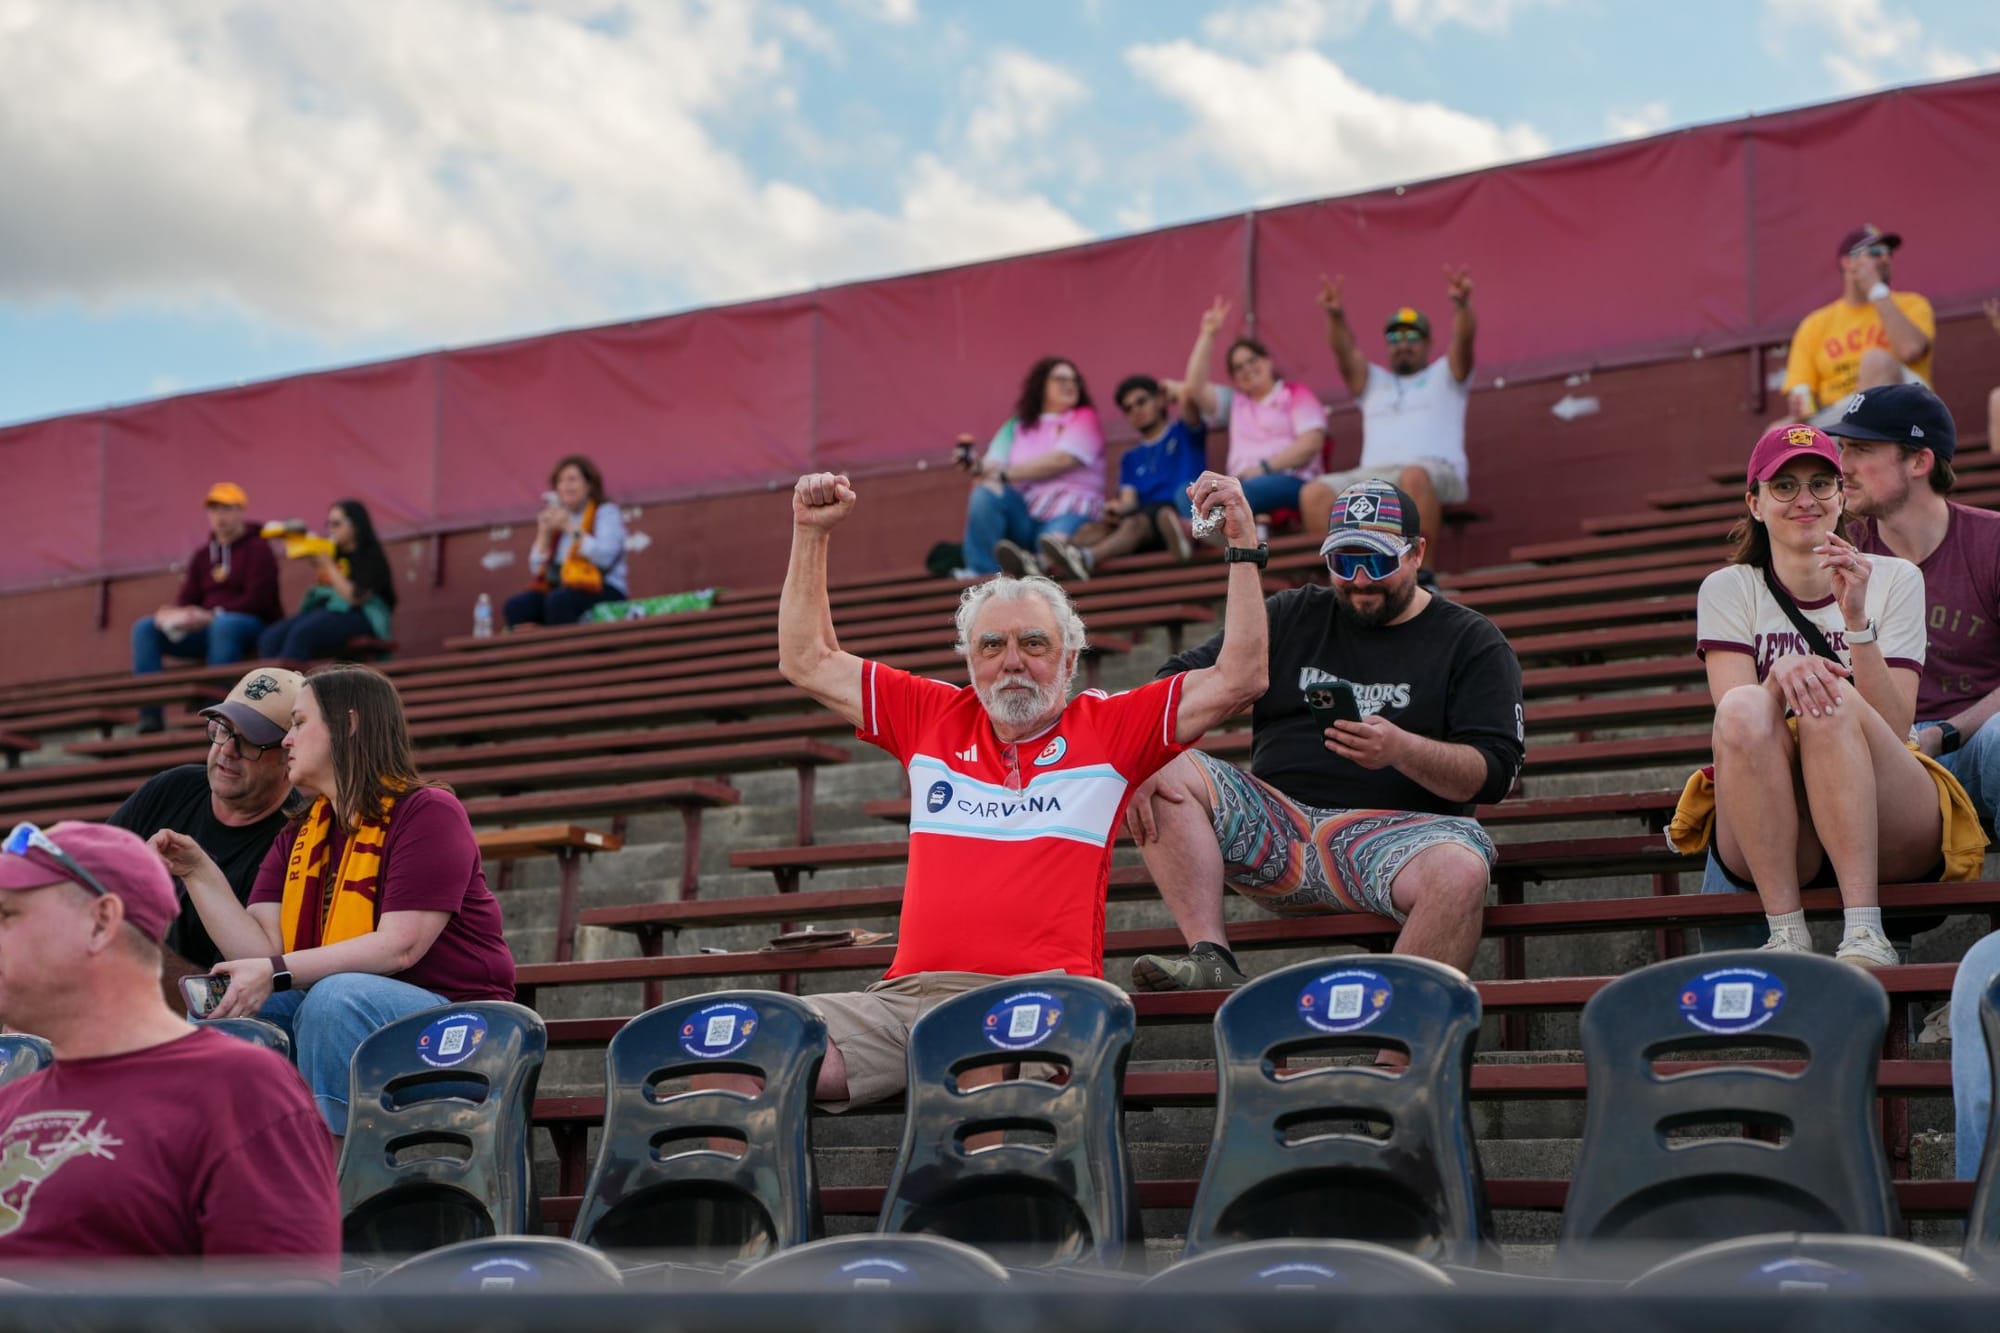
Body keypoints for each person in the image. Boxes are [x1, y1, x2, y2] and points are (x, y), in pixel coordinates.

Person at [770, 467, 1268, 1109]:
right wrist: (810, 532)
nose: (1011, 661)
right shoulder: (931, 716)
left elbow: (1241, 677)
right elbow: (804, 658)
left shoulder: (1110, 727)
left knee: (983, 1073)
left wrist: (1244, 546)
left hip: (1038, 1000)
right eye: (992, 645)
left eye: (1034, 643)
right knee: (749, 1052)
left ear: (1069, 658)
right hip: (903, 1001)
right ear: (969, 659)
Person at [1126, 478, 1524, 992]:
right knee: (1159, 757)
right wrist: (1147, 748)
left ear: (1417, 552)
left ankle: (1398, 1053)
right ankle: (1211, 956)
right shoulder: (1294, 613)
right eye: (1343, 563)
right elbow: (1174, 679)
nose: (1360, 580)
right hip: (1277, 826)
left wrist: (1402, 750)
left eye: (1377, 563)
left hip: (1398, 837)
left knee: (1462, 870)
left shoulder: (1472, 641)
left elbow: (1494, 774)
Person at [148, 665, 516, 1139]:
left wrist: (275, 972)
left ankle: (329, 1177)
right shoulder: (299, 832)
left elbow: (399, 947)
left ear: (351, 724)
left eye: (299, 724)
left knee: (333, 999)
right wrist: (197, 871)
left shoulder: (428, 811)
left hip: (464, 1024)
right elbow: (258, 951)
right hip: (358, 1010)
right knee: (228, 1005)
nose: (286, 741)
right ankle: (231, 1159)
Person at [1688, 423, 1983, 968]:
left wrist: (1856, 622)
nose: (1805, 499)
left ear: (1842, 498)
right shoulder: (1728, 588)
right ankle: (1786, 933)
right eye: (1784, 486)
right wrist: (1780, 678)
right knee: (1753, 704)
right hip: (1783, 821)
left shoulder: (1892, 578)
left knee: (1830, 701)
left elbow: (1896, 727)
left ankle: (1866, 933)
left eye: (1822, 484)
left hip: (1888, 812)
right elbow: (1736, 718)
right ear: (1754, 503)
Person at [0, 821, 338, 1269]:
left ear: (100, 923)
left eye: (7, 915)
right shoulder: (11, 1101)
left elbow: (286, 1311)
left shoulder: (240, 1088)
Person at [109, 667, 302, 1000]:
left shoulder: (298, 838)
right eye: (222, 730)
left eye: (250, 741)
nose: (227, 749)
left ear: (290, 756)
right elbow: (83, 869)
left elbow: (235, 997)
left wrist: (138, 953)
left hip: (210, 1025)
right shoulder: (176, 786)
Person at [1305, 268, 1477, 569]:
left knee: (1414, 475)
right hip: (1373, 474)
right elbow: (1344, 351)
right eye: (1394, 336)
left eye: (1412, 336)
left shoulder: (1446, 374)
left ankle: (1422, 576)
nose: (1403, 343)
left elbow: (1464, 342)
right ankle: (1339, 576)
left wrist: (1462, 306)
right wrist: (1335, 315)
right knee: (1314, 493)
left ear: (1427, 342)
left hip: (1436, 471)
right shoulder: (1373, 381)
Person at [130, 481, 284, 732]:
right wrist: (177, 614)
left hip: (251, 625)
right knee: (145, 628)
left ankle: (216, 710)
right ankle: (150, 714)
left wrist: (212, 615)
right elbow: (187, 598)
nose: (219, 516)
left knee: (224, 625)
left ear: (240, 511)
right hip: (209, 628)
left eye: (226, 508)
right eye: (213, 510)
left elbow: (259, 600)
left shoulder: (259, 549)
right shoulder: (203, 555)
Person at [1038, 374, 1208, 581]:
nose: (1135, 410)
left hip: (1177, 514)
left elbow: (1191, 397)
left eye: (1141, 401)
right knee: (1095, 528)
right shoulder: (1130, 458)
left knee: (1145, 521)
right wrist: (1115, 510)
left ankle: (1086, 559)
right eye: (1128, 408)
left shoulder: (1184, 432)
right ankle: (1042, 563)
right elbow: (1129, 500)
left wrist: (1177, 390)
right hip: (1142, 524)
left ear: (1160, 400)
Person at [957, 356, 1107, 578]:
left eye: (1074, 380)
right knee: (984, 492)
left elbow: (1062, 459)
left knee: (1050, 545)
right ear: (1041, 385)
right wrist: (974, 464)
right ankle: (981, 574)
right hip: (1026, 515)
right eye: (1060, 379)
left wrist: (1005, 474)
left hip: (1071, 509)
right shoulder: (1017, 425)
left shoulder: (1085, 417)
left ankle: (1037, 565)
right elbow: (992, 465)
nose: (1070, 385)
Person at [1182, 297, 1327, 523]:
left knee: (1237, 492)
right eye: (1239, 367)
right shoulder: (1236, 402)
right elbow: (1194, 388)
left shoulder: (1295, 393)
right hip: (1240, 487)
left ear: (1268, 361)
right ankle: (1211, 525)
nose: (1247, 369)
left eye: (1252, 360)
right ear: (1235, 379)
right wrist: (1208, 334)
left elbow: (1311, 444)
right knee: (1187, 492)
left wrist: (1263, 468)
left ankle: (1206, 527)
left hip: (1288, 480)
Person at [1780, 224, 1935, 427]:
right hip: (1841, 412)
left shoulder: (1912, 304)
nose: (1885, 259)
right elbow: (1803, 392)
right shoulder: (1814, 324)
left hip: (1905, 405)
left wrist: (1876, 289)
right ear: (1847, 263)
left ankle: (1859, 442)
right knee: (1777, 432)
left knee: (1875, 361)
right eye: (1875, 252)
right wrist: (1800, 410)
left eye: (1888, 253)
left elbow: (1910, 349)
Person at [255, 499, 396, 661]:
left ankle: (290, 683)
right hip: (327, 612)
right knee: (270, 638)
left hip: (360, 616)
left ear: (356, 525)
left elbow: (354, 598)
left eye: (336, 524)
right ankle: (270, 680)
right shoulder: (332, 550)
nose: (331, 529)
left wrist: (328, 565)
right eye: (328, 524)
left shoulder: (371, 557)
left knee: (303, 632)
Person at [504, 454, 629, 627]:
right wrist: (544, 532)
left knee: (559, 601)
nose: (565, 487)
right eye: (560, 481)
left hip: (602, 586)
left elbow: (605, 557)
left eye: (572, 480)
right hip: (562, 587)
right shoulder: (559, 516)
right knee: (518, 606)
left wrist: (570, 528)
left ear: (589, 484)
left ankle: (567, 653)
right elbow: (536, 569)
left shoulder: (605, 512)